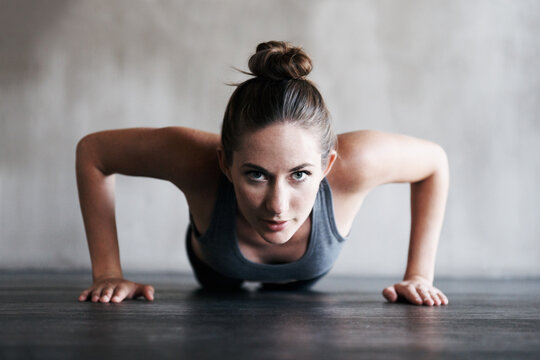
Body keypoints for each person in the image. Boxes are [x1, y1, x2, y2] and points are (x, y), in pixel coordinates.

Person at [76, 41, 449, 306]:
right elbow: (94, 153)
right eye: (256, 175)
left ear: (327, 166)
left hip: (302, 281)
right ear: (225, 163)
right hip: (216, 274)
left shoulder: (356, 164)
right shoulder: (194, 161)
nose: (277, 205)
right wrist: (107, 272)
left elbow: (434, 164)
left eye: (300, 175)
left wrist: (419, 276)